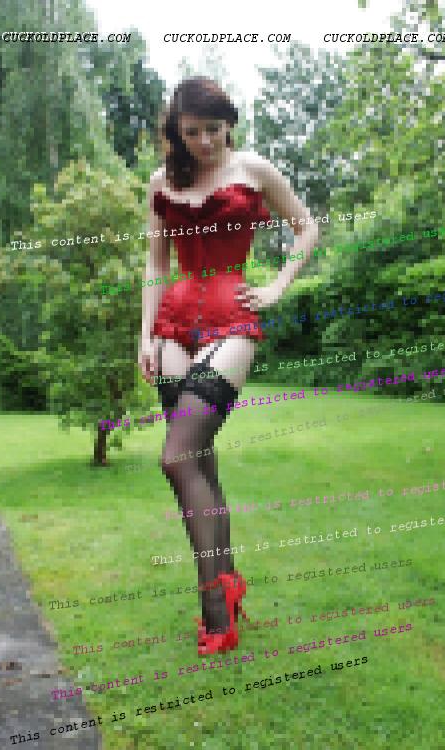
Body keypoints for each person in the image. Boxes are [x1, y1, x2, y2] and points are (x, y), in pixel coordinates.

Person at [139, 76, 319, 655]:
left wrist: (277, 286)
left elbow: (307, 226)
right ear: (177, 131)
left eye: (213, 130)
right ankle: (230, 579)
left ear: (228, 125)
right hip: (173, 325)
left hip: (232, 320)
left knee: (177, 457)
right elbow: (156, 264)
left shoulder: (254, 170)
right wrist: (145, 335)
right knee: (200, 463)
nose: (204, 142)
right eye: (192, 132)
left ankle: (215, 610)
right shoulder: (161, 182)